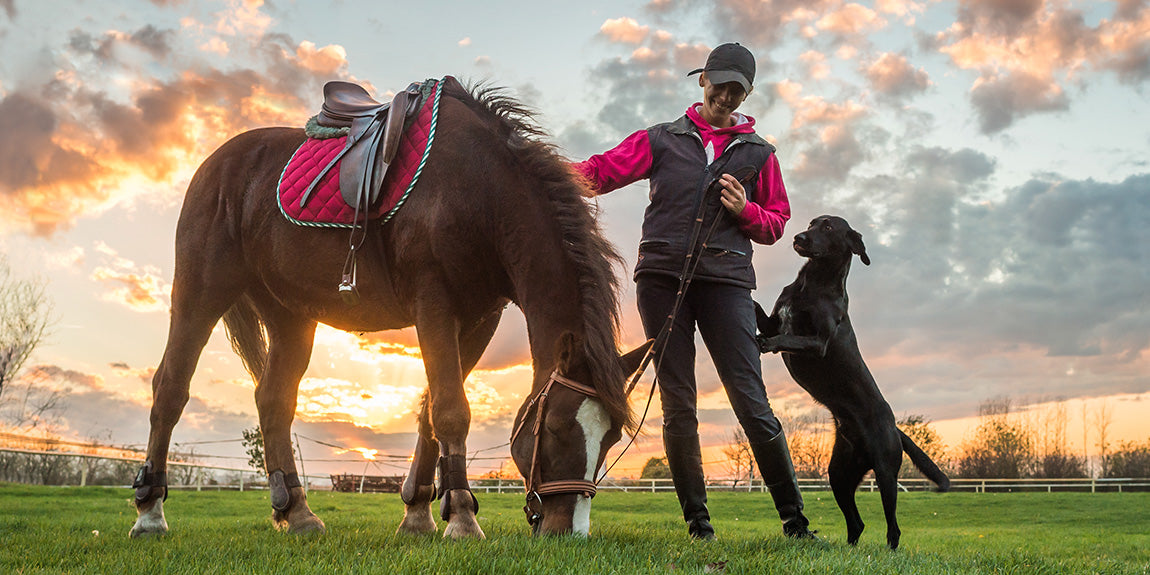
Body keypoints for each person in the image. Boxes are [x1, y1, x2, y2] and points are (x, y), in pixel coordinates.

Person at [571, 43, 814, 540]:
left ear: (747, 93)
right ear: (702, 79)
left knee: (750, 398)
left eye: (737, 90)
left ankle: (795, 523)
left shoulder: (759, 154)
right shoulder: (660, 139)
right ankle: (698, 525)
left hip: (726, 284)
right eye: (719, 84)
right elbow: (600, 172)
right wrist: (540, 170)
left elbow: (776, 225)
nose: (725, 96)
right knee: (678, 402)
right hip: (661, 283)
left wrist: (746, 210)